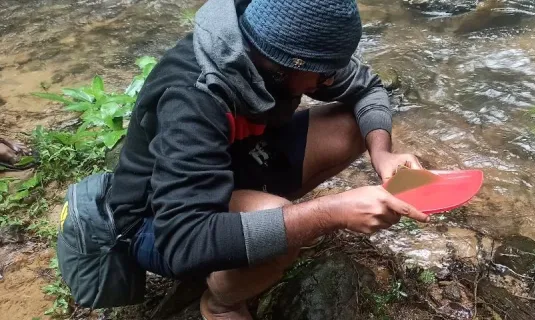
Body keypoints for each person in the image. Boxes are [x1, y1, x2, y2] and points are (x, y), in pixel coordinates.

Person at [105, 0, 428, 319]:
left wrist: (382, 153)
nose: (329, 81)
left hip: (231, 166)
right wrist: (327, 214)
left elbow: (368, 87)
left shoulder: (277, 41)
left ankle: (256, 223)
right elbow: (183, 242)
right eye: (323, 75)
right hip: (157, 220)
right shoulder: (193, 98)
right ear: (285, 64)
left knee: (352, 127)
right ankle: (221, 304)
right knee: (284, 229)